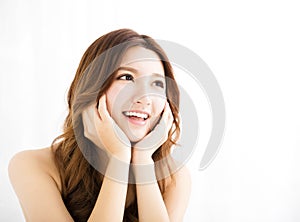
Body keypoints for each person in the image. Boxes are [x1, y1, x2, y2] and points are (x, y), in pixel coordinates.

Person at [8, 28, 191, 222]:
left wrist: (143, 160)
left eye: (157, 84)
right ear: (92, 87)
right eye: (127, 77)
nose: (145, 97)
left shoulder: (174, 178)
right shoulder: (33, 164)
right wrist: (119, 158)